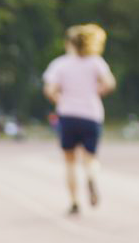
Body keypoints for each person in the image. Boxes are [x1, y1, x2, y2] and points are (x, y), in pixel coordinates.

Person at [42, 24, 116, 216]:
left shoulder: (60, 64)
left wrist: (61, 99)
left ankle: (74, 201)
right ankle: (91, 175)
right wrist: (95, 93)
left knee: (70, 161)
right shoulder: (96, 62)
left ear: (69, 44)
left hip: (68, 114)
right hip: (91, 114)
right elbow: (109, 83)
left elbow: (50, 90)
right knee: (90, 158)